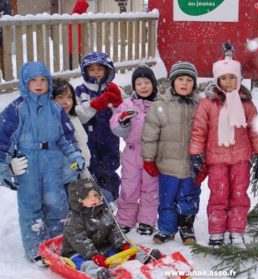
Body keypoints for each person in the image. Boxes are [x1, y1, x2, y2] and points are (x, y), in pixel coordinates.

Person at [0, 61, 85, 265]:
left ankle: (58, 244)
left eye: (43, 80)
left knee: (57, 205)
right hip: (27, 166)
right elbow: (3, 141)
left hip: (52, 163)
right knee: (31, 208)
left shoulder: (56, 109)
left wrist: (75, 156)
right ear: (25, 83)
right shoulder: (16, 109)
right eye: (33, 80)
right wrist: (4, 168)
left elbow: (67, 138)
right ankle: (36, 249)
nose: (39, 84)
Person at [189, 58, 258, 247]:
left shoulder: (247, 104)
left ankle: (236, 230)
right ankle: (216, 231)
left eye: (232, 77)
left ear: (239, 79)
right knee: (219, 195)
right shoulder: (207, 104)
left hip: (241, 158)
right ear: (217, 80)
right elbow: (199, 131)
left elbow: (255, 131)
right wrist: (195, 154)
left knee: (239, 195)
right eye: (223, 78)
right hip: (216, 159)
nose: (228, 82)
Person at [141, 61, 201, 245]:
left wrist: (204, 161)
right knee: (167, 199)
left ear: (194, 84)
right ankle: (167, 228)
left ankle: (186, 227)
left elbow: (206, 134)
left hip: (191, 165)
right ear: (172, 82)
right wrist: (149, 159)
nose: (184, 83)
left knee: (189, 197)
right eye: (180, 79)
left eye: (189, 80)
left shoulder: (199, 106)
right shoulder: (161, 106)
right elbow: (150, 135)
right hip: (166, 164)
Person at [110, 64, 159, 235]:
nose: (143, 86)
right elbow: (115, 125)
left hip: (153, 154)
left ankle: (147, 220)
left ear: (153, 84)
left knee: (150, 189)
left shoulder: (160, 106)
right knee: (129, 188)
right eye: (139, 83)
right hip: (131, 153)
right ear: (134, 86)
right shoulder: (127, 105)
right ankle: (125, 219)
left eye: (147, 82)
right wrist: (123, 122)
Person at [61, 178, 133, 279]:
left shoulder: (104, 212)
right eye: (88, 197)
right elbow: (80, 241)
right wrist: (93, 255)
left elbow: (113, 229)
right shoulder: (73, 220)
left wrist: (122, 244)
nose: (94, 199)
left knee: (120, 252)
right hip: (77, 251)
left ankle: (139, 259)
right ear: (79, 200)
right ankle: (97, 273)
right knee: (84, 263)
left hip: (101, 247)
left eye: (95, 195)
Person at [75, 51, 123, 201]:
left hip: (110, 138)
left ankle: (112, 201)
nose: (96, 73)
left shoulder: (113, 89)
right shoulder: (80, 91)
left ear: (107, 70)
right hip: (89, 140)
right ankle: (93, 205)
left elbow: (122, 116)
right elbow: (78, 116)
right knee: (91, 173)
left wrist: (117, 104)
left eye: (99, 69)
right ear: (85, 71)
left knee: (109, 171)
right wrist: (94, 105)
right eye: (91, 69)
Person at [0, 0, 12, 75]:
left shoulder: (4, 2)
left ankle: (8, 83)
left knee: (5, 63)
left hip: (2, 39)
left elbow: (8, 19)